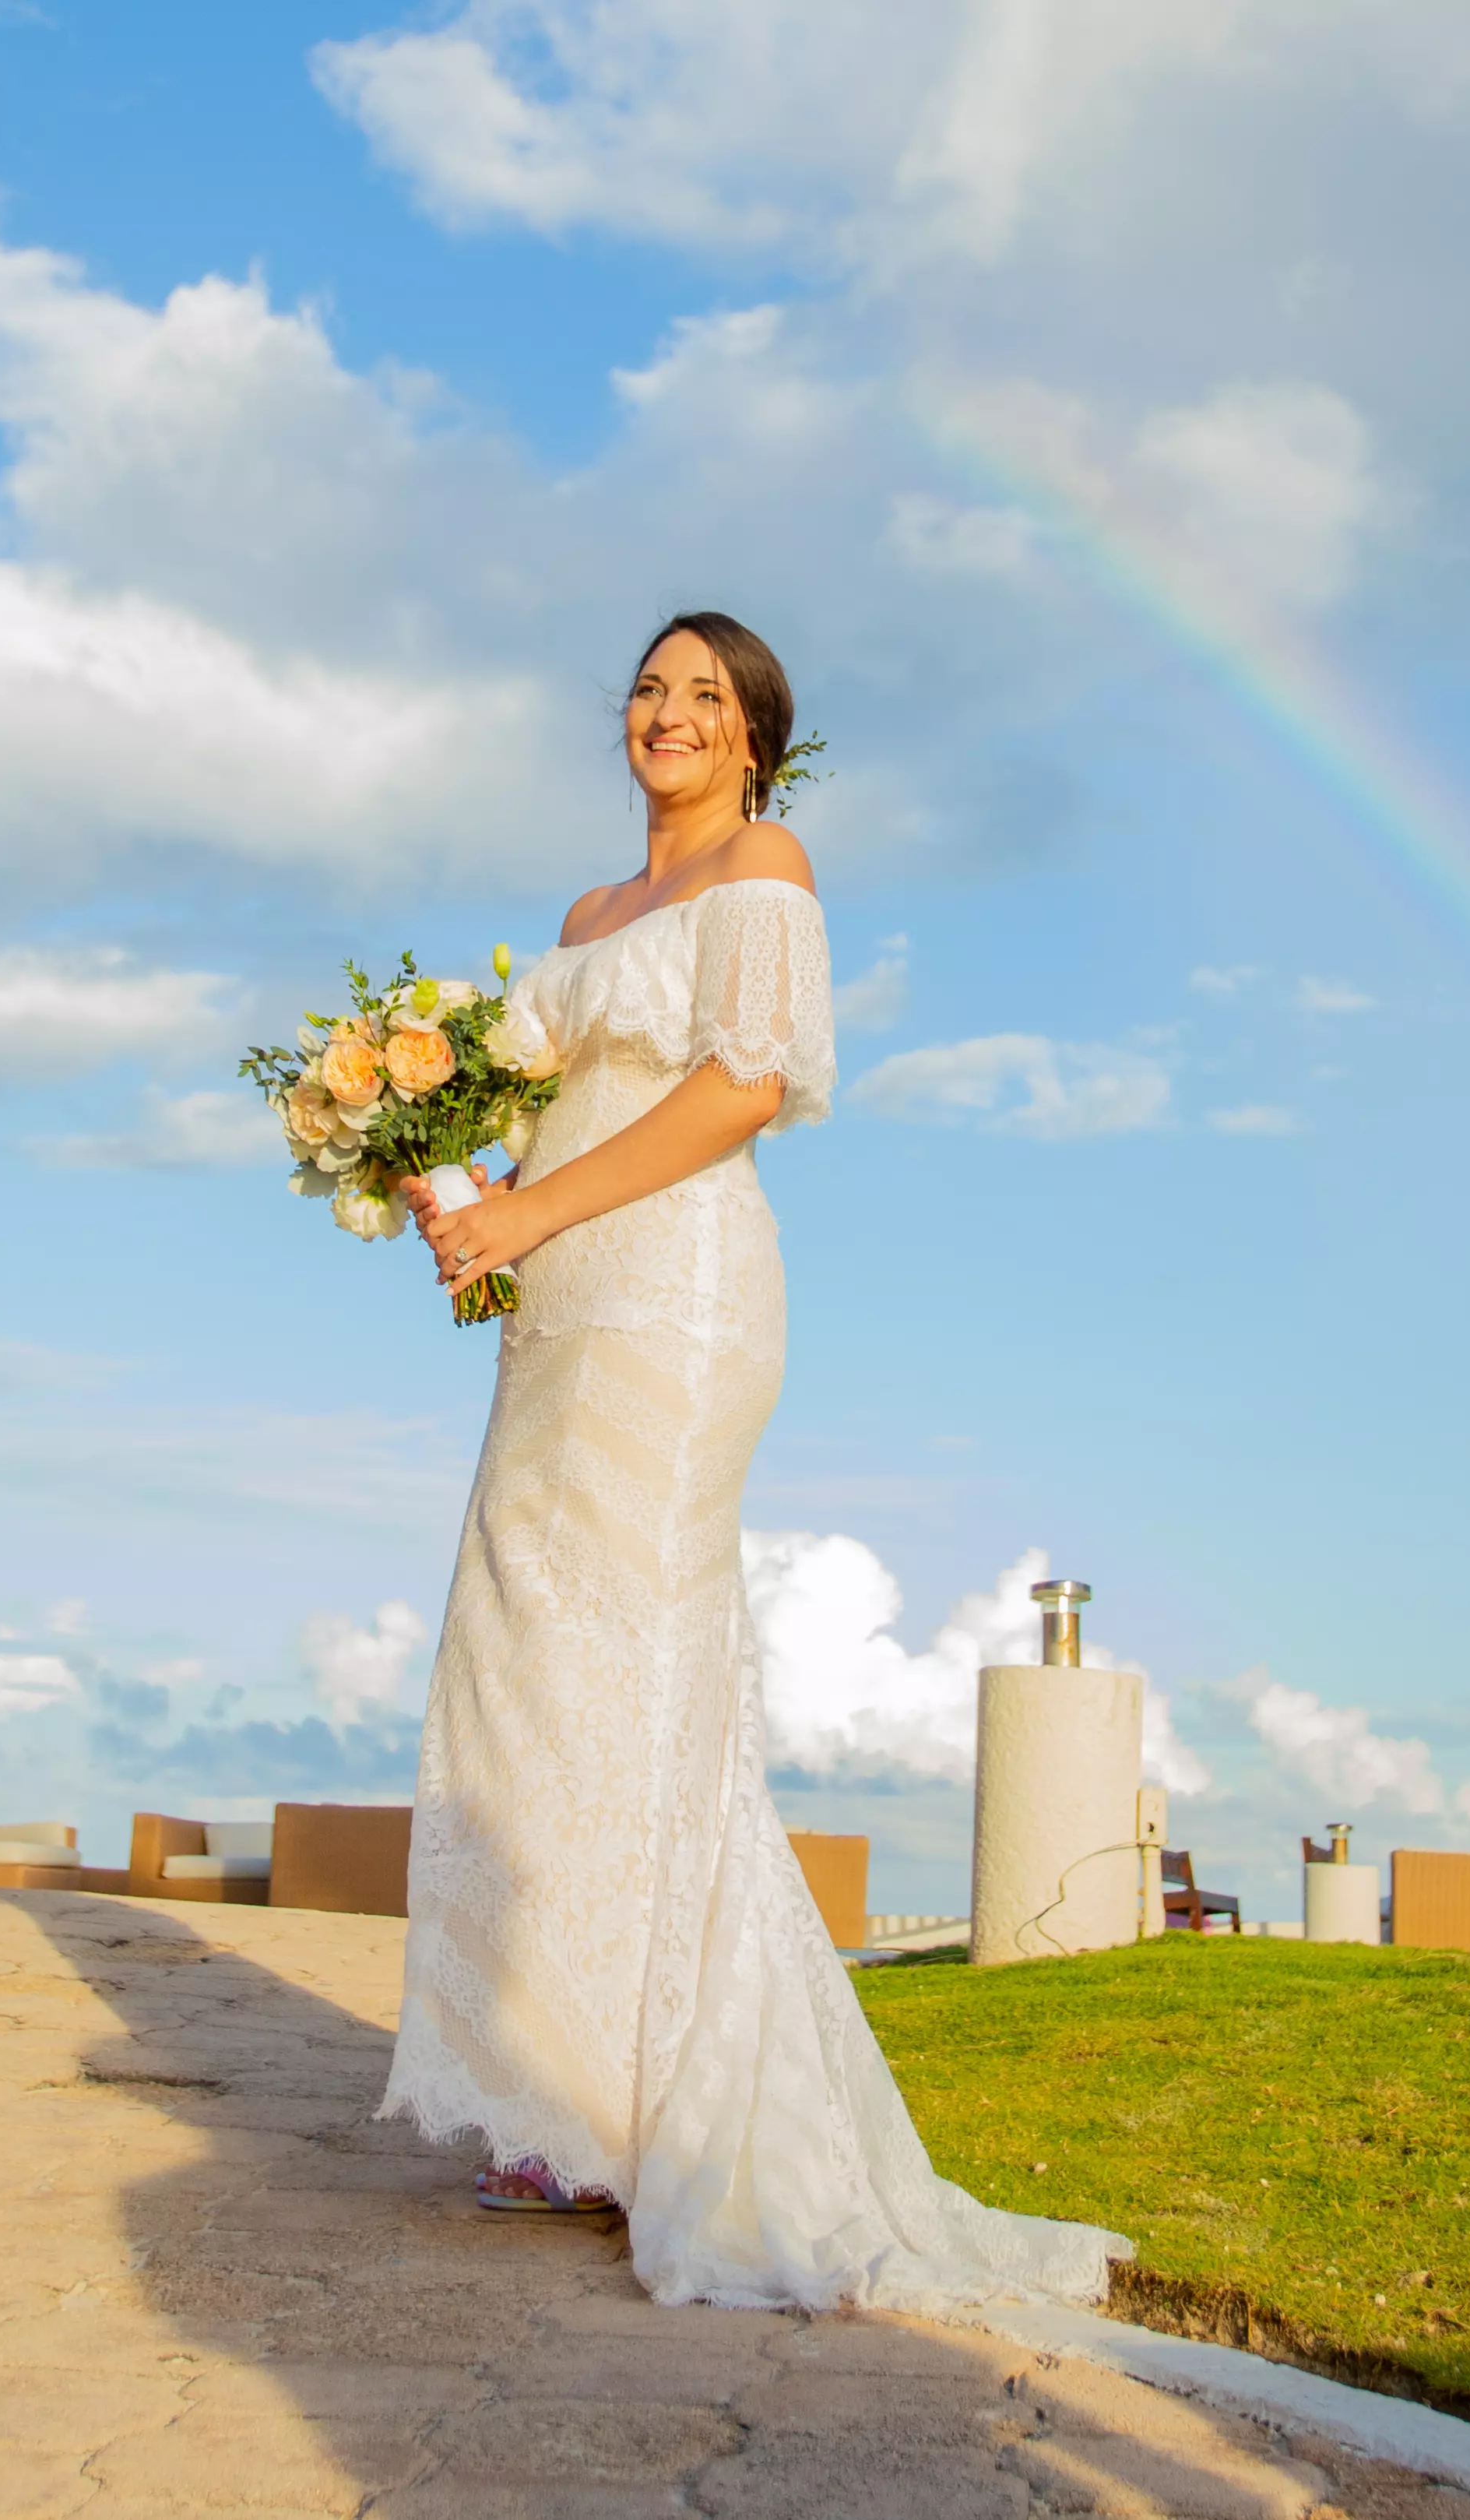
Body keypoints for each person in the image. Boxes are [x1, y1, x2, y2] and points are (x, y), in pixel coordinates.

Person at [382, 611, 1127, 2311]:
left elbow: (740, 1085)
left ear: (755, 744)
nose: (667, 712)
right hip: (553, 1314)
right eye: (647, 688)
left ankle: (669, 2107)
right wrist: (425, 1169)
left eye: (704, 696)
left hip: (678, 1301)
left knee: (642, 1661)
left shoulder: (764, 867)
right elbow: (538, 1119)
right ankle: (556, 2089)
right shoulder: (583, 919)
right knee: (530, 1672)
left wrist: (535, 1207)